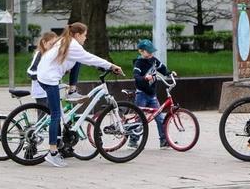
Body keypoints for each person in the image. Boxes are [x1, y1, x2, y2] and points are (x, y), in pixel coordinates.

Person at [37, 22, 123, 167]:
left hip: (45, 74)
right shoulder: (73, 45)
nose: (85, 38)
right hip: (49, 78)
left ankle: (72, 90)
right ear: (77, 35)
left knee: (78, 61)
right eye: (84, 35)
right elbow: (90, 58)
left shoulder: (66, 40)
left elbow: (81, 59)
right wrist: (111, 66)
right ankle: (52, 153)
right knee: (56, 115)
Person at [130, 39, 176, 149]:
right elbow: (136, 76)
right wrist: (144, 78)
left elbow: (162, 68)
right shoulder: (139, 62)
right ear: (140, 51)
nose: (150, 54)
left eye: (151, 52)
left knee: (160, 118)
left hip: (152, 94)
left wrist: (170, 73)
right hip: (141, 94)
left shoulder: (154, 60)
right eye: (148, 52)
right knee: (140, 118)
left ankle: (163, 141)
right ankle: (133, 140)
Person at [27, 31, 57, 114]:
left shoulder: (53, 54)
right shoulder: (39, 54)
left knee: (52, 115)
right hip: (41, 92)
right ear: (44, 42)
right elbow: (31, 72)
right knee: (42, 117)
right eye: (51, 44)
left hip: (51, 90)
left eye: (55, 45)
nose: (53, 47)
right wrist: (45, 75)